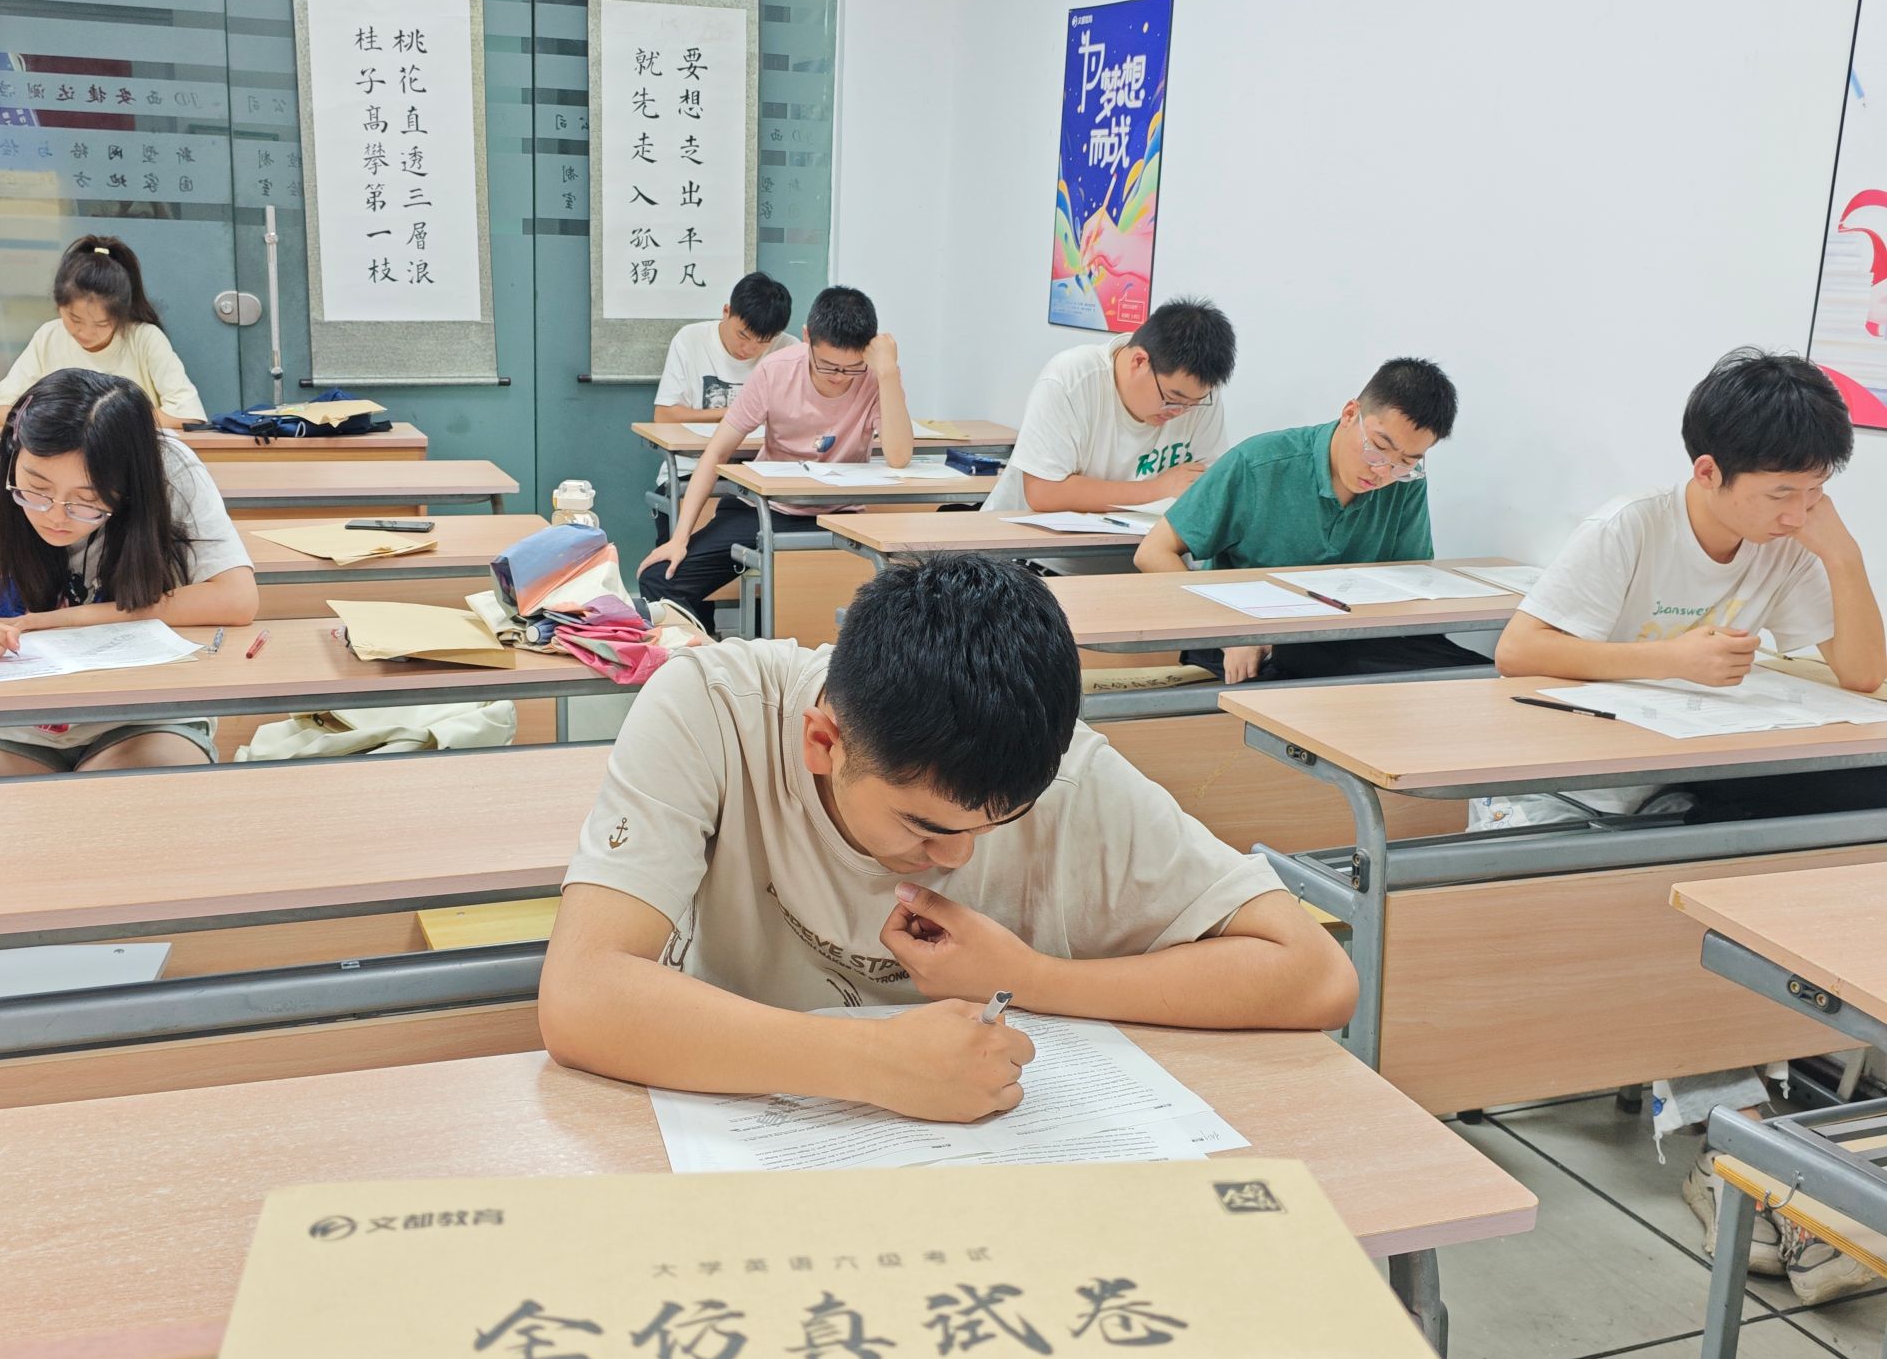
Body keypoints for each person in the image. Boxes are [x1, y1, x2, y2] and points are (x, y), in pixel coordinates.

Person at [541, 553, 1357, 1122]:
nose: (959, 857)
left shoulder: (1064, 772)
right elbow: (583, 996)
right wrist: (873, 1064)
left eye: (998, 824)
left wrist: (1033, 978)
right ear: (823, 743)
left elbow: (1315, 976)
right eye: (924, 826)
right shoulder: (713, 710)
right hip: (739, 1119)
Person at [1491, 347, 1883, 1304]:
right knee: (1692, 884)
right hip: (1581, 795)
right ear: (1709, 472)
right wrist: (1668, 661)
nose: (1799, 512)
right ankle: (1743, 1146)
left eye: (1817, 493)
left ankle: (1774, 1131)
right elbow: (1520, 649)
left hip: (1693, 781)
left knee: (1831, 819)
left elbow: (1864, 674)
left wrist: (1841, 551)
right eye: (1783, 494)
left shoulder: (1791, 542)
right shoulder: (1631, 528)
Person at [0, 369, 258, 781]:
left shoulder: (168, 470)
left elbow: (235, 598)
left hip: (142, 714)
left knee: (148, 803)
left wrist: (71, 618)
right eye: (36, 489)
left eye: (87, 500)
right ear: (13, 452)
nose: (56, 515)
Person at [1134, 356, 1478, 683]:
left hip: (1345, 635)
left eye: (1406, 461)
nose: (1383, 471)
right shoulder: (1259, 463)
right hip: (1247, 635)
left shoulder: (1404, 483)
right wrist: (1229, 634)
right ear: (1350, 413)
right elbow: (1153, 551)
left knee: (1470, 672)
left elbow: (1411, 579)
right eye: (1378, 447)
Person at [638, 285, 911, 633]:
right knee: (659, 578)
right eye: (828, 366)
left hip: (838, 516)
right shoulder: (776, 370)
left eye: (851, 368)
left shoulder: (876, 377)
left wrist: (887, 373)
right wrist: (679, 539)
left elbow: (899, 457)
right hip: (765, 510)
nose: (838, 377)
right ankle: (705, 659)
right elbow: (716, 453)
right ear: (807, 337)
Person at [983, 297, 1235, 515]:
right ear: (1139, 362)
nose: (1179, 412)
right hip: (1029, 545)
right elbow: (1043, 492)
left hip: (1131, 546)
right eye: (1172, 398)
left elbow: (1209, 485)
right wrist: (1156, 489)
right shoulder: (1071, 379)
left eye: (1193, 404)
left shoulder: (1198, 396)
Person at [0, 237, 206, 431]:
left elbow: (188, 413)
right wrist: (54, 423)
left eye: (102, 324)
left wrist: (99, 421)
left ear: (121, 314)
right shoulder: (49, 336)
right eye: (74, 319)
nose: (85, 332)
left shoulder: (144, 338)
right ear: (59, 305)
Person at [648, 272, 796, 544]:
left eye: (762, 342)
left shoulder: (789, 349)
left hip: (761, 475)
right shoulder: (691, 340)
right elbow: (665, 416)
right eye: (743, 335)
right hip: (690, 471)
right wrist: (736, 415)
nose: (748, 349)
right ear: (726, 311)